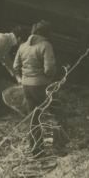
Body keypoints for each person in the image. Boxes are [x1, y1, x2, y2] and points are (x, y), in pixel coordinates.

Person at [13, 20, 66, 157]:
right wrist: (52, 78)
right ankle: (59, 147)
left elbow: (15, 67)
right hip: (42, 86)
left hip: (27, 86)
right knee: (57, 113)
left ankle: (37, 150)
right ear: (46, 33)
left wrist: (24, 77)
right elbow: (49, 69)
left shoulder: (23, 46)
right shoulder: (46, 45)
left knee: (34, 117)